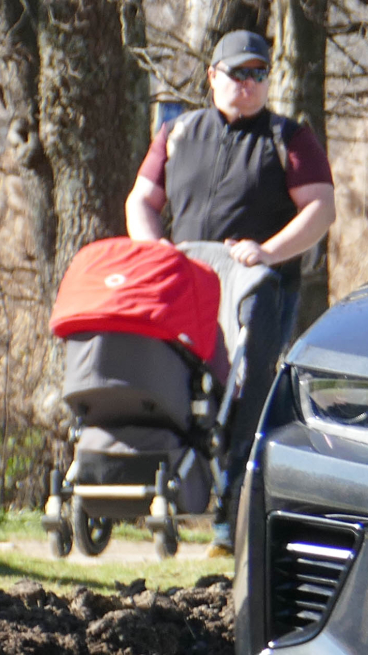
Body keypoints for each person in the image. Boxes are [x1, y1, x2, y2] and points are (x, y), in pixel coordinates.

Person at [125, 31, 336, 556]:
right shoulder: (176, 133)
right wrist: (156, 253)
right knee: (185, 392)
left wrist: (268, 251)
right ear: (212, 78)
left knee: (247, 397)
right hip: (187, 289)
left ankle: (231, 515)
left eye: (259, 74)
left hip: (261, 293)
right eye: (238, 73)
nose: (248, 84)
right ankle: (166, 492)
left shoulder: (289, 139)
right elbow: (142, 201)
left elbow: (320, 209)